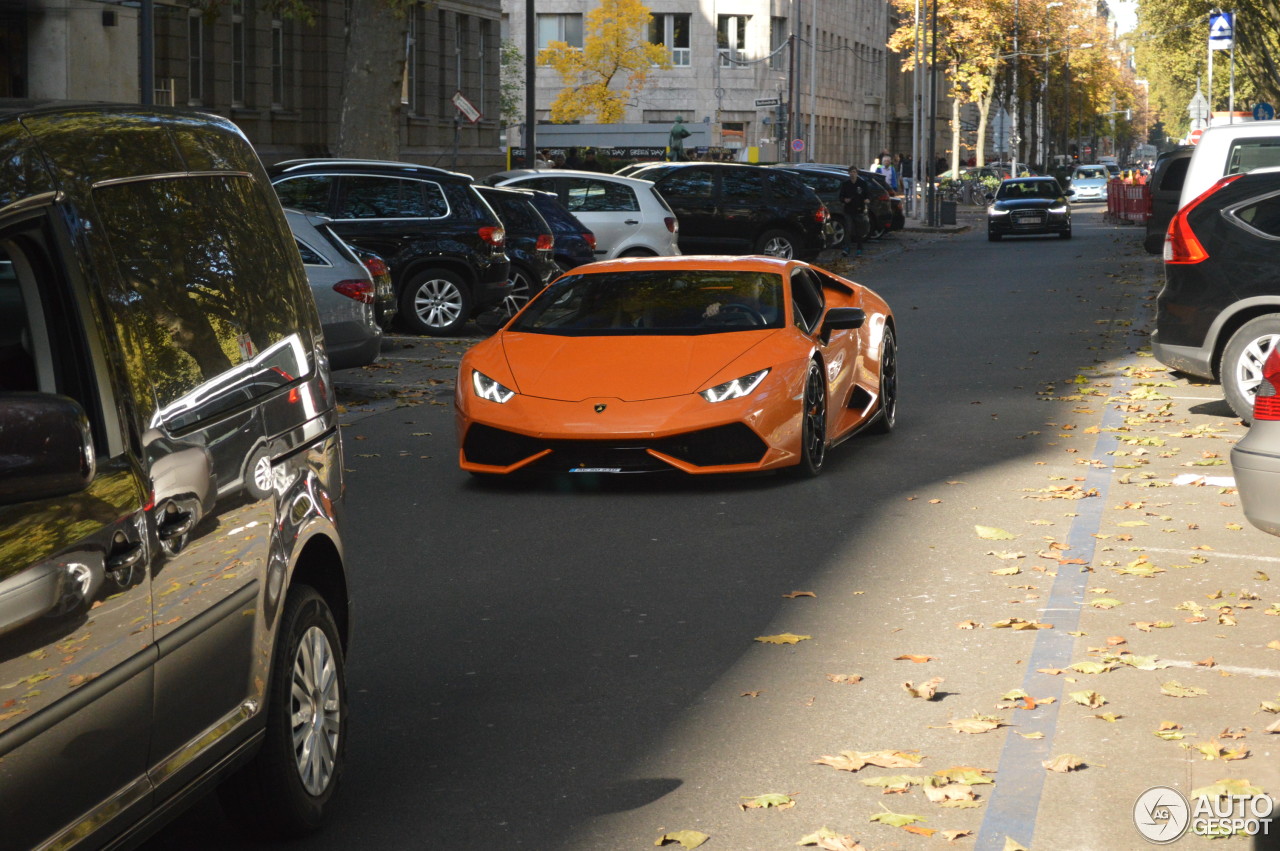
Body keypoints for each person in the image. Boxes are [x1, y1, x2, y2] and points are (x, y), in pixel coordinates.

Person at [838, 166, 869, 257]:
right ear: (849, 173)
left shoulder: (862, 183)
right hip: (848, 210)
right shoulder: (846, 184)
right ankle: (847, 248)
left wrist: (866, 199)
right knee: (848, 229)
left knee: (859, 230)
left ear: (857, 173)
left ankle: (859, 248)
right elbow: (841, 196)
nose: (853, 174)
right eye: (851, 172)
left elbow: (866, 194)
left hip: (859, 209)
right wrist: (845, 200)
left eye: (854, 172)